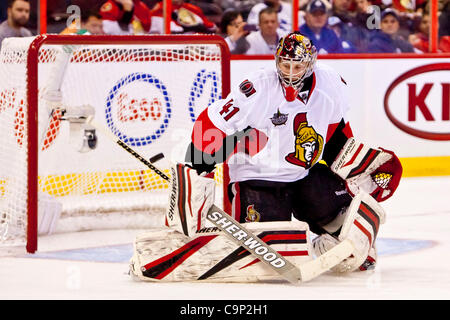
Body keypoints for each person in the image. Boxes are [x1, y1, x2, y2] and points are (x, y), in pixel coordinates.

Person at [176, 31, 402, 274]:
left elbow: (337, 136)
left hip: (304, 175)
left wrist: (358, 168)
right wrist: (199, 166)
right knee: (265, 260)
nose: (291, 73)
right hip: (257, 180)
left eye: (298, 65)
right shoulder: (257, 87)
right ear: (277, 61)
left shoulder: (331, 84)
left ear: (311, 63)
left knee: (350, 235)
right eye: (286, 64)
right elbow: (211, 123)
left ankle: (322, 247)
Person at [149, 0, 217, 34]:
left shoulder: (193, 9)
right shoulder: (160, 9)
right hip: (172, 48)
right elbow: (174, 31)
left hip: (198, 46)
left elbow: (212, 28)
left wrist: (200, 27)